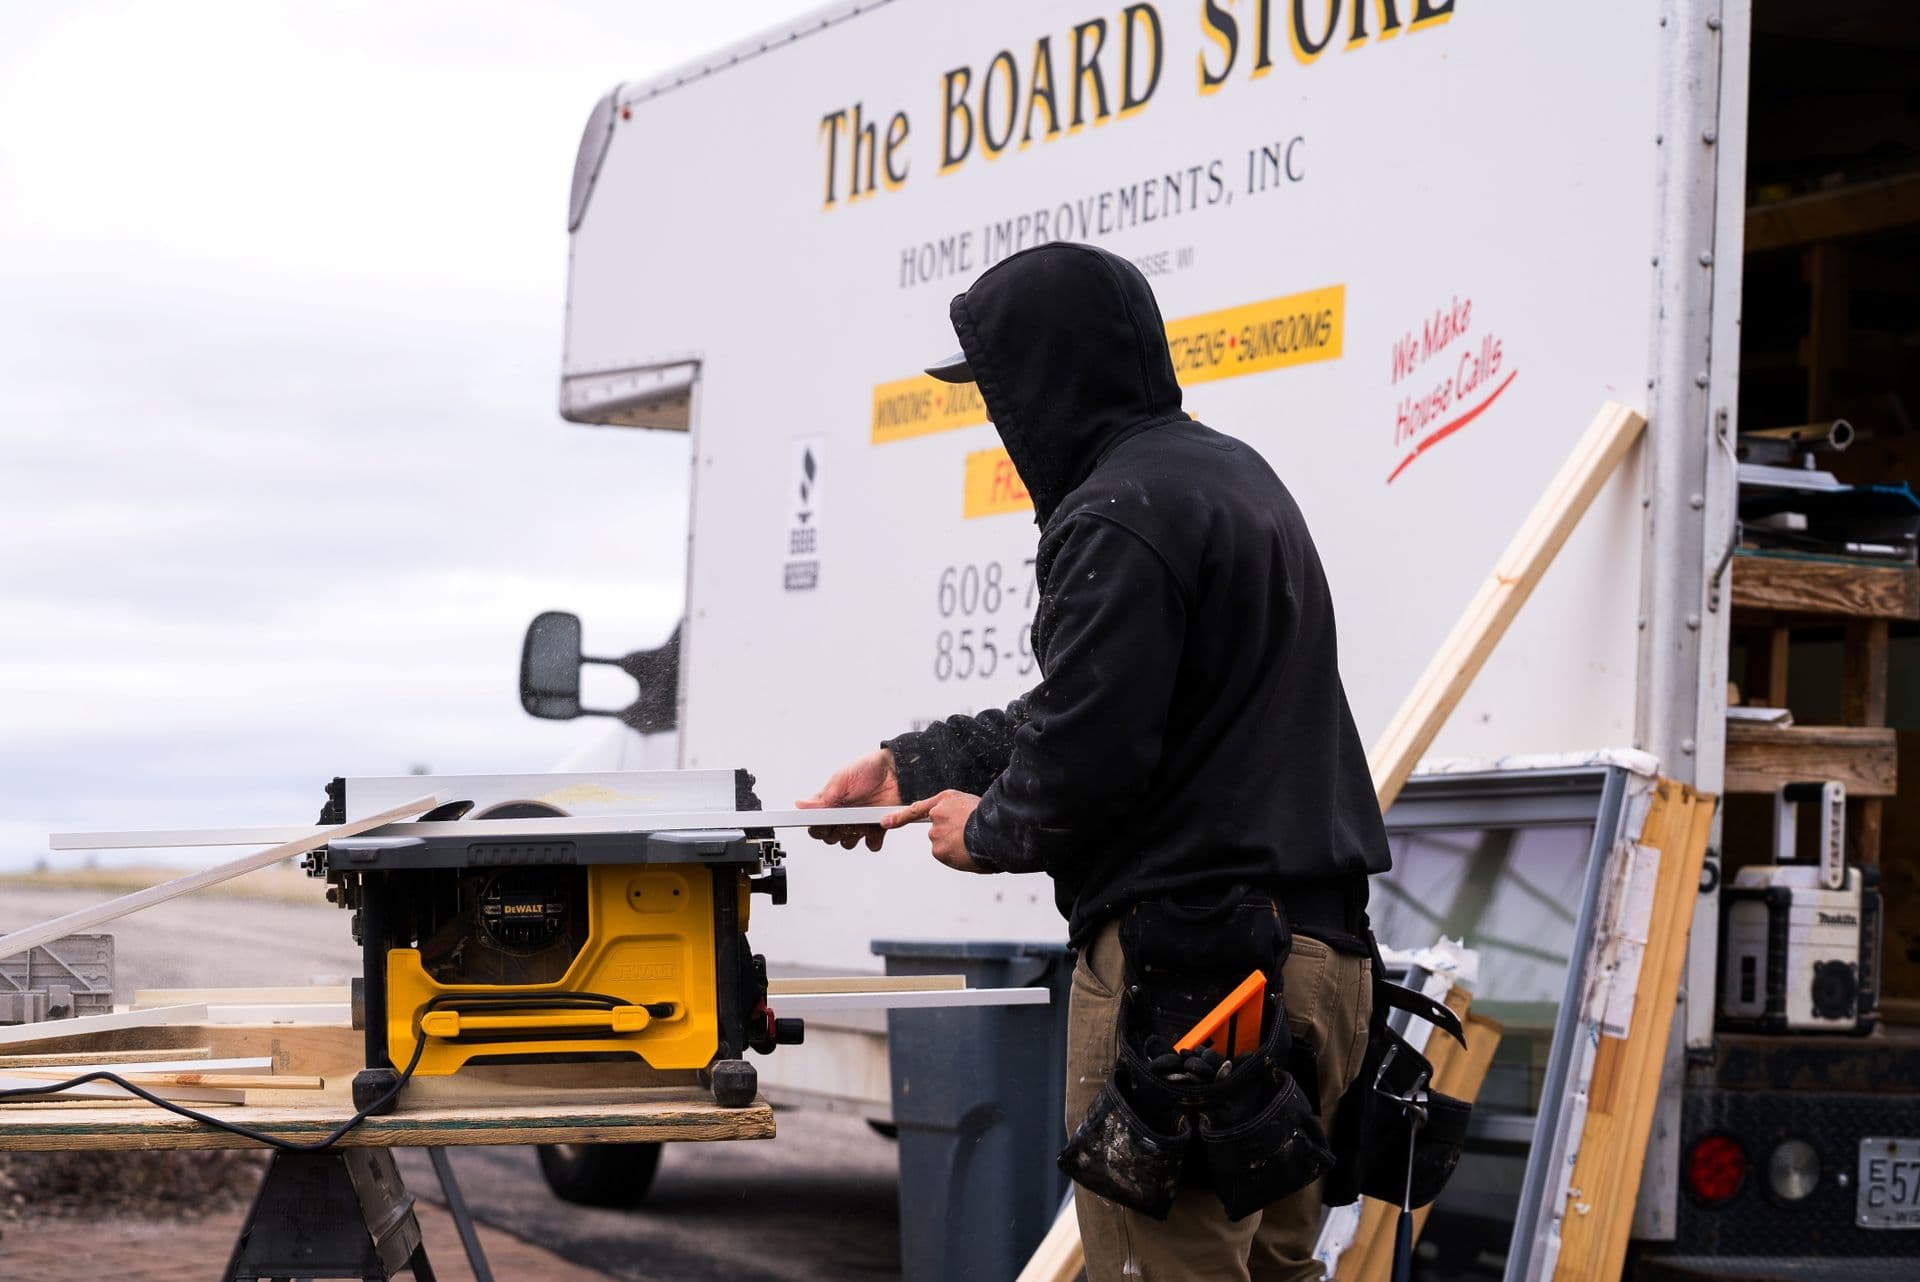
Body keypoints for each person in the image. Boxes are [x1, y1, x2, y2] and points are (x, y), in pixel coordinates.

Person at [799, 242, 1389, 1282]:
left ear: (1048, 378)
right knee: (1283, 1270)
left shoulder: (1114, 512)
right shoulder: (1233, 477)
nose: (996, 417)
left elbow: (1087, 755)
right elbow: (1105, 705)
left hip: (1195, 974)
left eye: (998, 389)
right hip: (1321, 964)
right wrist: (912, 762)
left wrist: (984, 828)